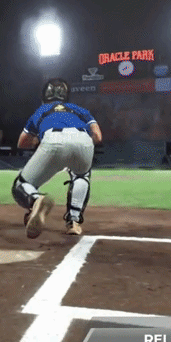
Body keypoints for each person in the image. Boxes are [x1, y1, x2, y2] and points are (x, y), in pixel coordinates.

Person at [11, 78, 103, 238]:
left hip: (54, 140)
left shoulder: (41, 110)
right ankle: (74, 222)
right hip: (84, 140)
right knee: (81, 176)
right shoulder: (79, 109)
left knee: (21, 185)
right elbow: (97, 136)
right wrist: (79, 145)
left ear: (44, 96)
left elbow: (22, 142)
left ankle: (36, 201)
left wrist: (38, 140)